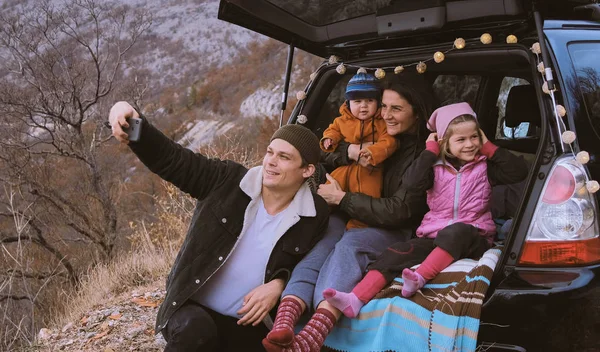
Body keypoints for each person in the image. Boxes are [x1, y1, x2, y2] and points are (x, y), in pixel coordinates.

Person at [108, 101, 329, 352]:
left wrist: (278, 284)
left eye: (284, 157)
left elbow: (311, 268)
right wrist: (133, 123)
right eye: (270, 152)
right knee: (198, 333)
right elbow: (173, 160)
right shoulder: (227, 181)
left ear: (307, 169)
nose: (271, 162)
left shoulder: (313, 215)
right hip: (192, 310)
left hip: (248, 326)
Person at [262, 73, 435, 352]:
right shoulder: (366, 129)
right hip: (350, 212)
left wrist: (342, 198)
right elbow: (324, 151)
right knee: (321, 244)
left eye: (397, 109)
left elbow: (400, 211)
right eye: (384, 106)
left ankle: (316, 330)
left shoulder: (421, 154)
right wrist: (348, 152)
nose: (386, 114)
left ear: (417, 114)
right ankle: (286, 318)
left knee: (350, 245)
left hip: (395, 227)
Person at [323, 102, 529, 318]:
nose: (470, 144)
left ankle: (419, 277)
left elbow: (519, 171)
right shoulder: (434, 168)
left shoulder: (486, 167)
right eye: (461, 139)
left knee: (459, 230)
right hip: (434, 236)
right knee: (396, 252)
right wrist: (429, 154)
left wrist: (489, 148)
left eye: (474, 137)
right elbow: (411, 183)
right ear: (443, 142)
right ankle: (355, 299)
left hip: (473, 237)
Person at [320, 72, 397, 229]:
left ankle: (359, 225)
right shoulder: (342, 120)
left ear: (378, 102)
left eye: (370, 100)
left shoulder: (381, 122)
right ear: (348, 103)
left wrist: (373, 152)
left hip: (369, 170)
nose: (363, 105)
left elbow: (389, 142)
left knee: (369, 193)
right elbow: (332, 130)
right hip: (345, 167)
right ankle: (318, 214)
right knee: (328, 187)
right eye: (357, 101)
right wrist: (329, 139)